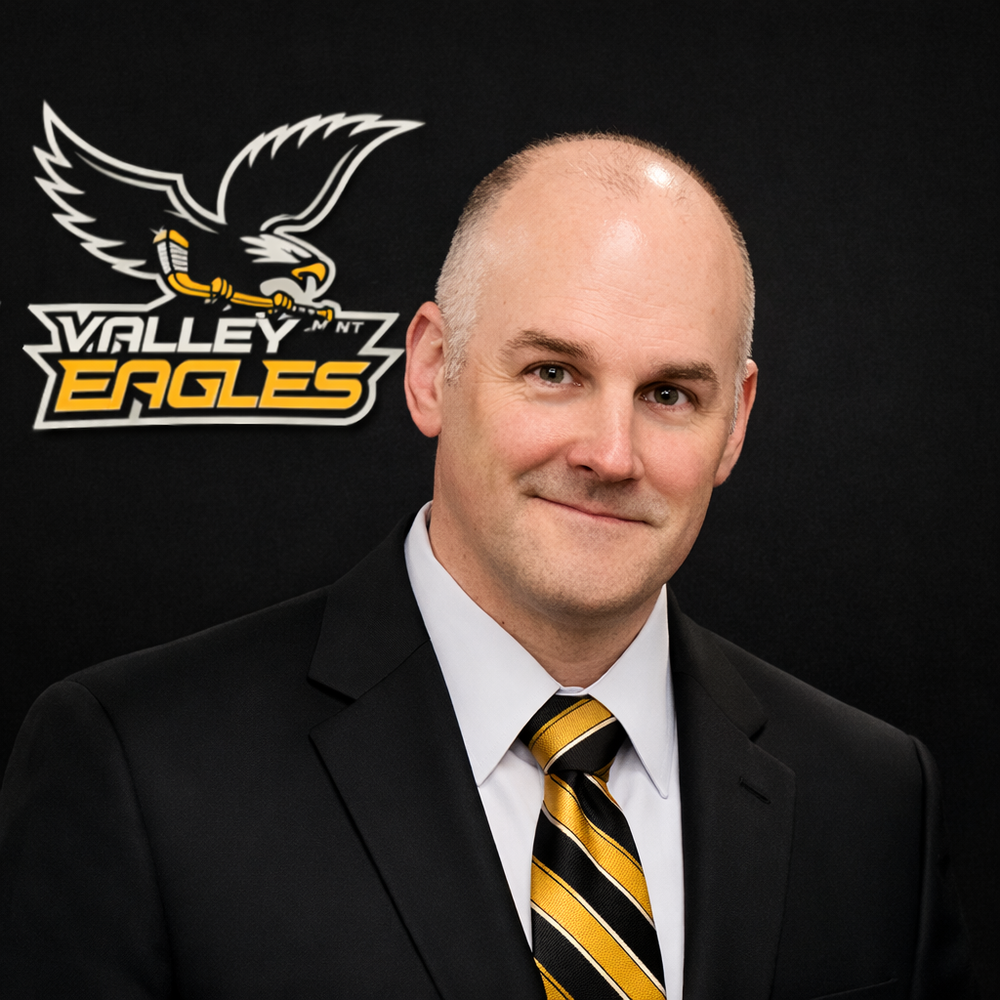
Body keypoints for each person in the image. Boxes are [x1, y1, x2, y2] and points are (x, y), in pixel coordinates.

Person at [0, 135, 975, 999]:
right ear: (432, 369)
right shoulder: (140, 769)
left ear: (735, 424)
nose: (609, 454)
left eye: (670, 394)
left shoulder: (875, 796)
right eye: (553, 372)